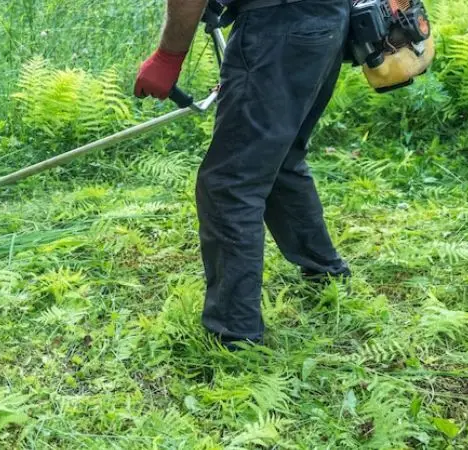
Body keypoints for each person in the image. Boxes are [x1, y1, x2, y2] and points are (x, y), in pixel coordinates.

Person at [134, 0, 352, 348]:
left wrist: (168, 57)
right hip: (328, 20)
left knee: (230, 184)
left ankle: (235, 336)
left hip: (279, 26)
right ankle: (326, 272)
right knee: (279, 160)